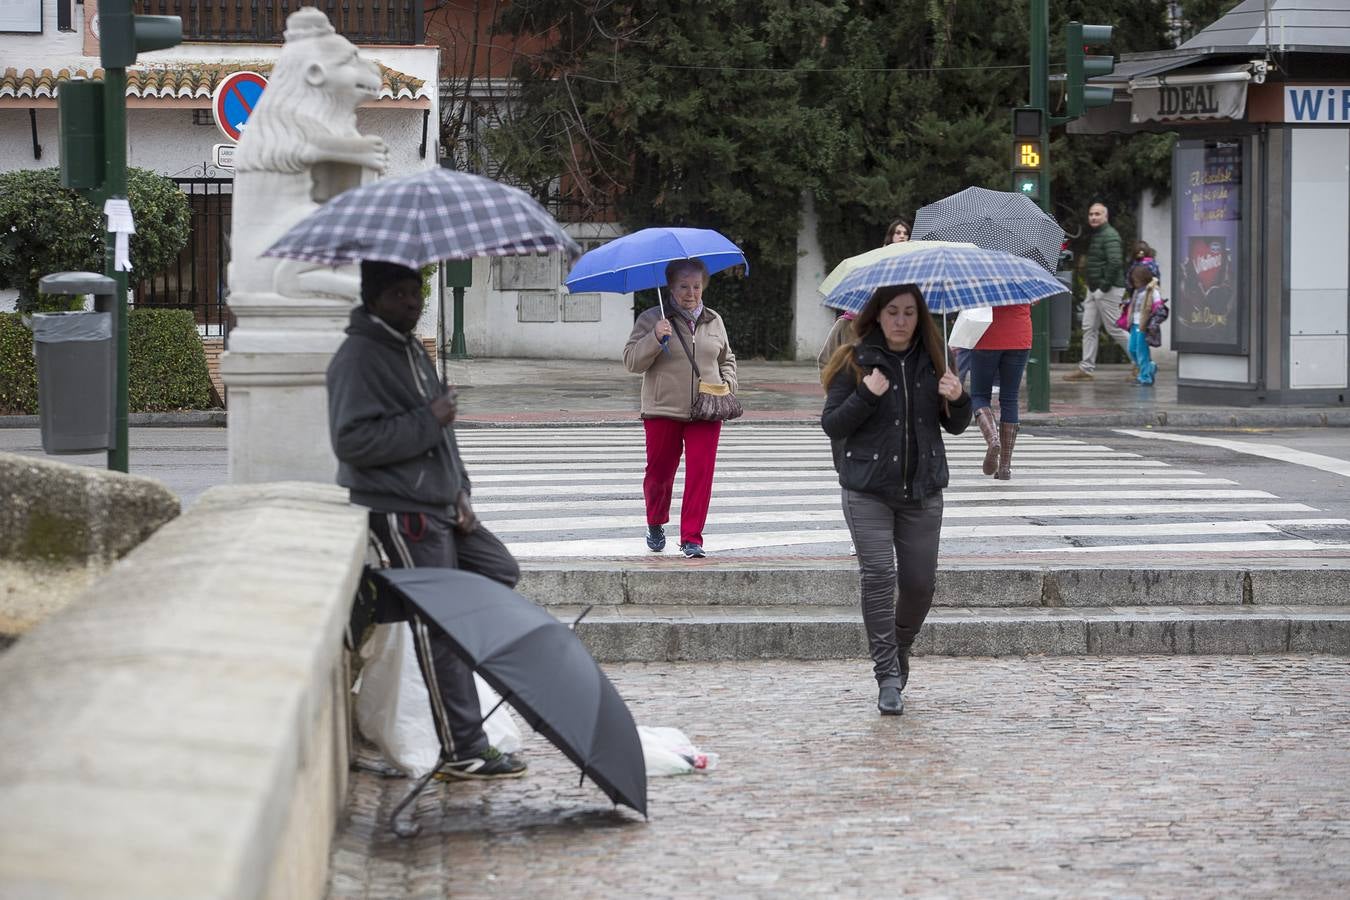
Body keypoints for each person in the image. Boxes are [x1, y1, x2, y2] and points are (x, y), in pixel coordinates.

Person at [327, 259, 526, 780]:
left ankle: (383, 599)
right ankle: (464, 749)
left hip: (440, 503)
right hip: (401, 509)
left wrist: (461, 490)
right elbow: (352, 443)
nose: (412, 302)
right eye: (399, 294)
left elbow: (444, 433)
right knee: (443, 626)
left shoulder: (410, 348)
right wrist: (427, 419)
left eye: (415, 292)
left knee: (499, 569)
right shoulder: (359, 356)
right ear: (373, 297)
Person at [820, 284, 970, 716]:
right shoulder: (853, 359)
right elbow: (832, 424)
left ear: (920, 316)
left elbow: (956, 425)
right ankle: (887, 675)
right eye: (892, 312)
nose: (900, 320)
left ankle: (901, 645)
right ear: (878, 315)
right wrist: (867, 394)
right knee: (879, 575)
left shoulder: (937, 359)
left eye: (908, 312)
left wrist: (958, 398)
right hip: (867, 488)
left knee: (920, 585)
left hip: (922, 489)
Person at [622, 258, 738, 559]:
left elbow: (726, 358)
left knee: (701, 472)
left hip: (707, 407)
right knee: (659, 473)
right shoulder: (652, 318)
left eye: (697, 286)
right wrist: (654, 337)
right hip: (663, 409)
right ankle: (655, 521)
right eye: (684, 286)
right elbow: (632, 362)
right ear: (671, 288)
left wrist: (728, 383)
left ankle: (691, 538)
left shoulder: (714, 320)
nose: (691, 293)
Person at [1065, 201, 1129, 381]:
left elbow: (1115, 262)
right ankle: (1086, 369)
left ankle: (1143, 364)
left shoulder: (1110, 235)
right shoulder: (1099, 234)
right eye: (1091, 214)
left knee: (1115, 328)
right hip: (1095, 289)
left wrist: (1103, 287)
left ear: (1105, 216)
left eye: (1097, 214)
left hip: (1107, 289)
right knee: (1089, 328)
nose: (1093, 217)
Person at [967, 303, 1032, 480]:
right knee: (1010, 398)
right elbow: (1035, 300)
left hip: (986, 335)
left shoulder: (982, 282)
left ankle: (993, 439)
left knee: (979, 395)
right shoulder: (1026, 283)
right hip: (1019, 335)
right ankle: (1004, 467)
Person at [1123, 246, 1164, 385]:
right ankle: (1149, 367)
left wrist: (1155, 319)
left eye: (1136, 280)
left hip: (1143, 324)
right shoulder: (1136, 291)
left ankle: (1145, 377)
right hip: (1134, 323)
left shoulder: (1152, 291)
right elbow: (1132, 303)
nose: (1134, 283)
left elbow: (1159, 306)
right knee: (1132, 349)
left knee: (1142, 351)